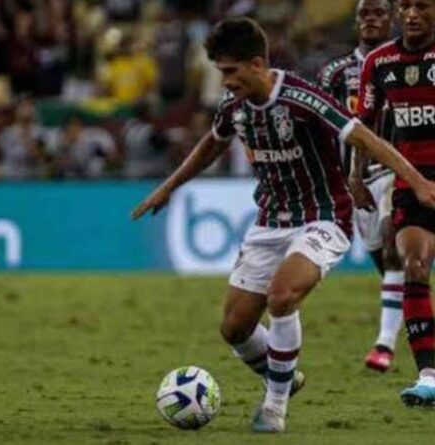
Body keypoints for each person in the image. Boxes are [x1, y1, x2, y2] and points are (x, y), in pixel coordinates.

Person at [131, 18, 435, 433]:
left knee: (282, 297)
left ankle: (274, 407)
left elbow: (363, 136)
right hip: (269, 222)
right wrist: (167, 188)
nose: (226, 81)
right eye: (222, 72)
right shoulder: (233, 106)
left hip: (324, 217)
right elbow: (211, 144)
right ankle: (286, 378)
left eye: (231, 72)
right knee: (234, 328)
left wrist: (416, 180)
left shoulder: (301, 98)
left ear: (257, 64)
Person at [357, 0, 435, 407]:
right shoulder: (379, 62)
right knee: (413, 266)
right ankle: (429, 376)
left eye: (421, 5)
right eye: (404, 5)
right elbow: (365, 126)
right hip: (410, 181)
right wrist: (355, 177)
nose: (411, 14)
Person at [318, 0, 402, 372]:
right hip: (356, 178)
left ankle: (384, 345)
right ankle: (412, 318)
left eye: (378, 13)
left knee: (394, 244)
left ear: (391, 19)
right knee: (386, 264)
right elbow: (320, 126)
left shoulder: (407, 63)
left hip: (397, 169)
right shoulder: (335, 73)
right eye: (364, 14)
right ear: (356, 22)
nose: (370, 20)